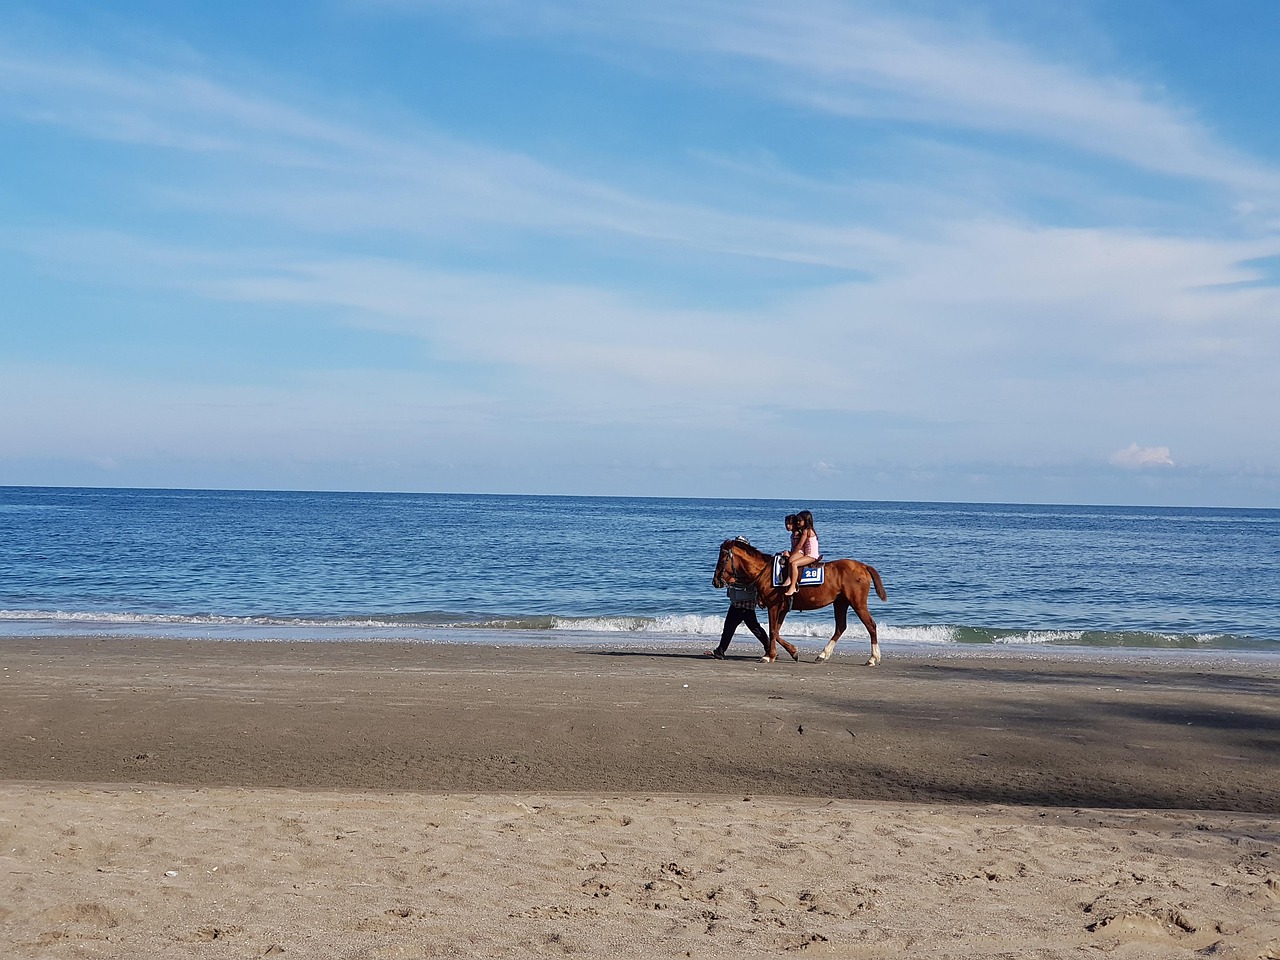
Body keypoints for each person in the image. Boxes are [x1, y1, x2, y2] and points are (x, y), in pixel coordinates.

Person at [705, 537, 771, 659]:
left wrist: (735, 581)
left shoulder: (747, 564)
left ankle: (769, 648)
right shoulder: (738, 562)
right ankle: (720, 650)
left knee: (751, 626)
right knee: (737, 625)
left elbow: (751, 580)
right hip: (738, 601)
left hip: (745, 601)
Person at [783, 510, 820, 597]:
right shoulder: (804, 531)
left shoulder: (806, 531)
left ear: (806, 521)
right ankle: (789, 577)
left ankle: (793, 586)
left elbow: (800, 545)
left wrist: (792, 554)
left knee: (794, 563)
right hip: (807, 554)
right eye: (798, 520)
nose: (798, 522)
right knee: (790, 559)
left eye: (800, 520)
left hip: (811, 555)